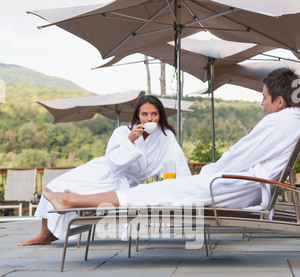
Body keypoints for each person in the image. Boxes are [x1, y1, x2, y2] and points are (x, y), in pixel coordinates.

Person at [42, 68, 300, 216]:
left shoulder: (279, 122)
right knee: (158, 191)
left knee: (155, 192)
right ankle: (76, 199)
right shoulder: (290, 120)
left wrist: (208, 171)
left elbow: (241, 155)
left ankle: (74, 201)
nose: (261, 102)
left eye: (264, 97)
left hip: (231, 185)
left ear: (279, 101)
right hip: (241, 184)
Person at [19, 95, 191, 246]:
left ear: (160, 115)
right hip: (103, 172)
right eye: (144, 114)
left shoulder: (166, 138)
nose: (149, 119)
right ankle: (44, 235)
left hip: (125, 183)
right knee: (54, 184)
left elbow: (177, 164)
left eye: (154, 114)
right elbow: (114, 163)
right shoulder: (122, 132)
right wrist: (130, 140)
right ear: (138, 115)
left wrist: (183, 189)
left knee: (71, 194)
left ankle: (52, 231)